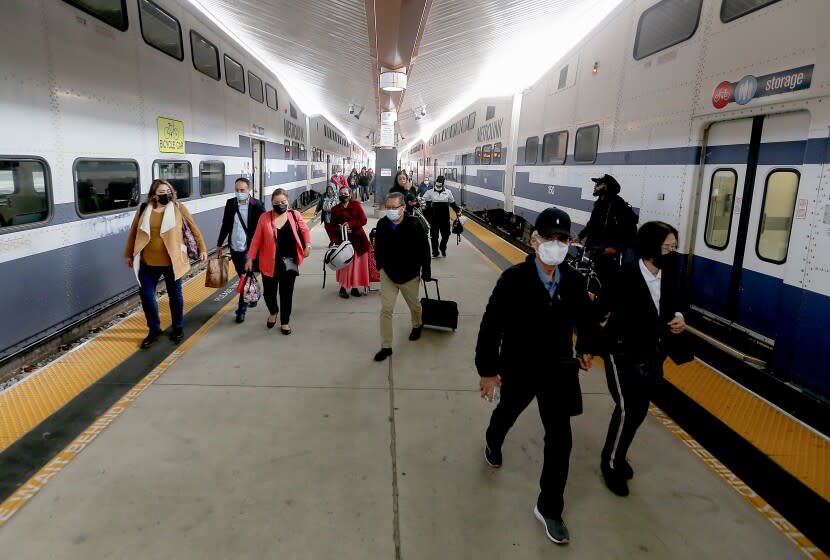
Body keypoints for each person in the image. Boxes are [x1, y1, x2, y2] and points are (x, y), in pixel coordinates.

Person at [475, 207, 597, 546]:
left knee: (561, 440)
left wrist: (586, 346)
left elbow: (586, 319)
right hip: (520, 366)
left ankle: (550, 508)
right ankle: (492, 439)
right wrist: (487, 371)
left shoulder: (572, 281)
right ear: (534, 241)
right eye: (549, 238)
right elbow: (491, 326)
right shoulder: (513, 280)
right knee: (508, 412)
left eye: (562, 240)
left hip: (559, 370)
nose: (556, 245)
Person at [599, 221, 686, 497]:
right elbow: (599, 310)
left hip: (651, 353)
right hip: (621, 351)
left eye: (674, 247)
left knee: (639, 410)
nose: (671, 252)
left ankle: (619, 455)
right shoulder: (624, 276)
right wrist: (587, 347)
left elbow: (675, 302)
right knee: (627, 408)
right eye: (666, 247)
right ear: (650, 247)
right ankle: (610, 463)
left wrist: (679, 318)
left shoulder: (670, 271)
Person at [124, 179, 207, 348]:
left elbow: (194, 229)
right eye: (161, 192)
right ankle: (154, 330)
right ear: (154, 194)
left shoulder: (178, 208)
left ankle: (178, 327)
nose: (166, 195)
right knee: (147, 296)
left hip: (172, 262)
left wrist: (202, 248)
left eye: (168, 191)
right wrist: (128, 254)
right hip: (147, 263)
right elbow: (134, 233)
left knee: (175, 296)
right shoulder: (143, 209)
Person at [372, 192, 432, 362]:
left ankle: (417, 324)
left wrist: (426, 271)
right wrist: (380, 266)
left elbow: (424, 250)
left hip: (410, 275)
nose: (390, 210)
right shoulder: (382, 224)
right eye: (388, 207)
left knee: (414, 305)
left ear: (403, 207)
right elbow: (379, 248)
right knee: (386, 309)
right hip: (389, 274)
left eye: (394, 207)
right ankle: (386, 346)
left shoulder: (415, 224)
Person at [246, 188, 311, 335]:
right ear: (271, 203)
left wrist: (308, 245)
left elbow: (305, 230)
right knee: (269, 293)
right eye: (276, 202)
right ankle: (273, 311)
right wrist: (250, 257)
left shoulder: (294, 215)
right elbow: (256, 239)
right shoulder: (264, 218)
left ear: (288, 202)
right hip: (269, 263)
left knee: (286, 294)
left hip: (289, 262)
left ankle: (285, 321)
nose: (280, 204)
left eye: (283, 202)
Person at [216, 178, 266, 324]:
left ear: (248, 190)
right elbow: (225, 224)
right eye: (237, 190)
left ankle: (241, 311)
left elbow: (264, 225)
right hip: (234, 246)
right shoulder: (230, 203)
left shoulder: (256, 204)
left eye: (242, 190)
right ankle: (255, 293)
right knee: (246, 276)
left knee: (244, 279)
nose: (239, 193)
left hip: (248, 249)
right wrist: (219, 244)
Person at [574, 174, 637, 288]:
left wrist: (616, 247)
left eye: (598, 184)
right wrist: (579, 237)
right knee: (596, 272)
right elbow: (591, 223)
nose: (595, 186)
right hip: (598, 247)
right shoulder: (599, 203)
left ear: (606, 187)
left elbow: (628, 229)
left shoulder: (618, 204)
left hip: (610, 249)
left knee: (607, 278)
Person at [330, 185, 370, 298]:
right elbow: (332, 226)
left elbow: (363, 220)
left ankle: (354, 287)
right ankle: (343, 288)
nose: (343, 195)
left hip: (358, 240)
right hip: (343, 241)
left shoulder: (356, 205)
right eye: (341, 193)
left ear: (350, 194)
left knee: (356, 265)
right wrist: (341, 228)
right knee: (345, 265)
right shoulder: (335, 209)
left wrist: (351, 224)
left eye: (345, 193)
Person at [422, 175, 461, 258]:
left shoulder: (448, 192)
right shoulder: (429, 192)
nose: (438, 187)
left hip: (445, 218)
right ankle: (435, 252)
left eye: (439, 185)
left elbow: (453, 204)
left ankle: (443, 247)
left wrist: (458, 211)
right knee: (434, 236)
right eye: (437, 185)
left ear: (443, 185)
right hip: (433, 218)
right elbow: (424, 202)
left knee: (446, 234)